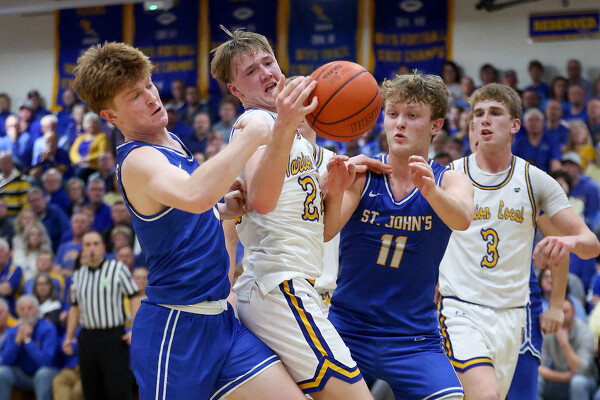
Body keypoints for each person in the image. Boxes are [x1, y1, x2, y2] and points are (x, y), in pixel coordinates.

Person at [72, 41, 308, 400]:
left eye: (149, 85)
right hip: (176, 329)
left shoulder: (171, 141)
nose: (151, 98)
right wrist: (251, 137)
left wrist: (223, 208)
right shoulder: (137, 159)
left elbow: (183, 213)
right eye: (134, 96)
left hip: (222, 323)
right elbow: (194, 194)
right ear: (110, 115)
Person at [212, 27, 379, 399]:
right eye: (251, 71)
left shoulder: (295, 138)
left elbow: (321, 231)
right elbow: (261, 201)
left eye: (267, 62)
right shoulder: (257, 123)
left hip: (294, 286)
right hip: (278, 286)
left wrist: (336, 186)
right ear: (235, 90)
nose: (265, 73)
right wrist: (286, 125)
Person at [437, 83, 600, 399]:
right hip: (461, 307)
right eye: (478, 114)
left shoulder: (533, 180)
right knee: (484, 394)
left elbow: (588, 243)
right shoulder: (450, 175)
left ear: (514, 125)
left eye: (494, 113)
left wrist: (557, 300)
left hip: (514, 311)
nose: (484, 120)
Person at [324, 72, 473, 399]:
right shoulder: (363, 174)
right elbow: (325, 232)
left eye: (412, 115)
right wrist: (333, 190)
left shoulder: (449, 180)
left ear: (435, 125)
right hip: (349, 330)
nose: (399, 123)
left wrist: (431, 192)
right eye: (392, 114)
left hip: (414, 338)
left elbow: (462, 218)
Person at [63, 231, 140, 400]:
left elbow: (134, 297)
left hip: (112, 336)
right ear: (83, 249)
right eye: (88, 245)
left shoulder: (117, 269)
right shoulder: (78, 275)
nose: (92, 248)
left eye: (96, 244)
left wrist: (135, 328)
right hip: (88, 337)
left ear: (104, 247)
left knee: (118, 388)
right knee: (91, 389)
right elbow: (74, 308)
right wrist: (69, 337)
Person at [0, 295, 60, 400]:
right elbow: (5, 362)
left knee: (43, 374)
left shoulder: (48, 328)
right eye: (22, 309)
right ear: (18, 313)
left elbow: (45, 362)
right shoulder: (14, 331)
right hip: (23, 375)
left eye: (29, 308)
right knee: (2, 372)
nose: (26, 312)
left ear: (37, 310)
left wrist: (28, 341)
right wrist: (17, 342)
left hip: (47, 373)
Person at [538, 298, 598, 400]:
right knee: (535, 380)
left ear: (574, 312)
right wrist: (562, 377)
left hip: (585, 380)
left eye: (565, 312)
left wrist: (564, 344)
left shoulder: (585, 332)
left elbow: (581, 369)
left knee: (577, 382)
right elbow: (538, 367)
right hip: (558, 378)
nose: (561, 316)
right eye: (559, 312)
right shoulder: (549, 332)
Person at [511, 108, 562, 173]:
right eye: (530, 120)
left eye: (537, 120)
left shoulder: (551, 140)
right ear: (524, 124)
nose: (533, 123)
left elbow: (555, 163)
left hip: (546, 176)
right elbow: (512, 164)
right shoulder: (518, 143)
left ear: (543, 123)